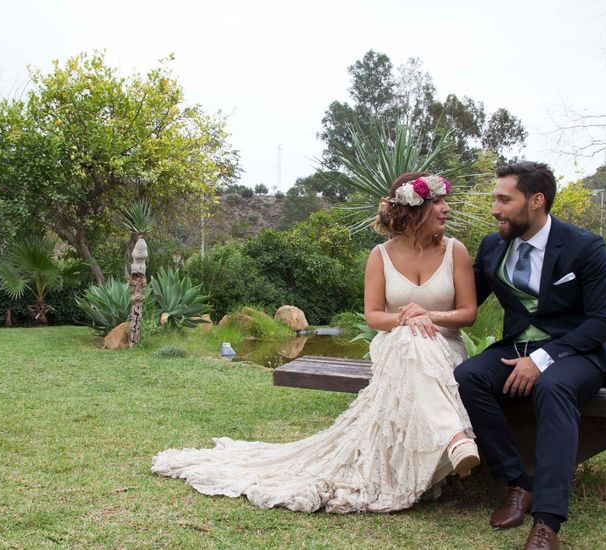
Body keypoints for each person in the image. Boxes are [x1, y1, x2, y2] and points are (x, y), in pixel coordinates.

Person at [151, 172, 480, 513]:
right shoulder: (380, 256)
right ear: (416, 209)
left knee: (416, 344)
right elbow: (374, 317)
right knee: (408, 341)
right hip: (396, 345)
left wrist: (428, 315)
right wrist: (405, 319)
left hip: (443, 345)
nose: (447, 208)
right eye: (438, 202)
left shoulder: (455, 251)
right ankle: (455, 438)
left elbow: (467, 313)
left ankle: (452, 440)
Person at [453, 162, 606, 550]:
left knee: (553, 387)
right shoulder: (493, 245)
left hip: (576, 350)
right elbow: (465, 300)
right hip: (516, 346)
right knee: (468, 376)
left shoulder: (585, 247)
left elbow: (603, 321)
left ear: (536, 200)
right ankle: (517, 483)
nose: (494, 209)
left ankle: (547, 521)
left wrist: (543, 359)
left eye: (503, 199)